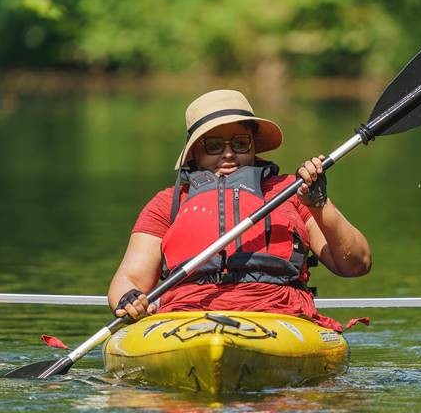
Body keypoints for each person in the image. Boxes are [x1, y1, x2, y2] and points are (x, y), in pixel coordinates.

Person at [108, 89, 371, 330]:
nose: (228, 154)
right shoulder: (168, 203)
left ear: (254, 145)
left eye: (240, 143)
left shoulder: (294, 191)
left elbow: (357, 264)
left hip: (281, 315)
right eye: (213, 146)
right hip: (185, 317)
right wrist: (128, 298)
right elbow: (128, 279)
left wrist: (319, 204)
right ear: (195, 152)